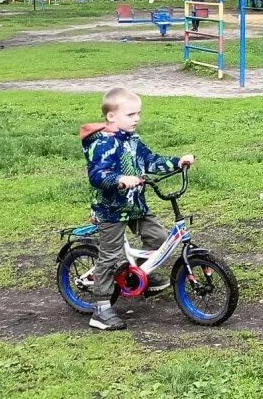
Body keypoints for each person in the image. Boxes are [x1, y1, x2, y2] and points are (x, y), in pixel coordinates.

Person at [81, 88, 194, 331]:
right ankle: (101, 308)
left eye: (138, 114)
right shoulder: (102, 143)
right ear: (111, 116)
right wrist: (120, 179)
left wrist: (176, 162)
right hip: (111, 209)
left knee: (160, 239)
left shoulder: (133, 140)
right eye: (130, 114)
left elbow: (150, 160)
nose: (136, 119)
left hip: (135, 205)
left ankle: (142, 273)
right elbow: (97, 175)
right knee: (110, 257)